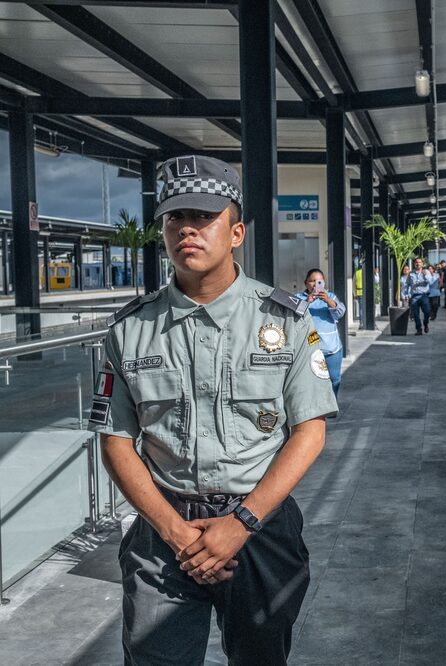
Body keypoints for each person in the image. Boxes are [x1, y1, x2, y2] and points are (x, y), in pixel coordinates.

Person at [88, 155, 339, 665]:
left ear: (237, 232)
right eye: (175, 218)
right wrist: (176, 532)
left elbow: (309, 431)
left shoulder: (285, 320)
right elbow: (115, 439)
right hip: (163, 534)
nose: (188, 230)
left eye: (205, 217)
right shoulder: (129, 330)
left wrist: (241, 523)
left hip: (260, 527)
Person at [296, 268, 347, 396]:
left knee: (334, 379)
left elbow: (340, 313)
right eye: (312, 281)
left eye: (319, 281)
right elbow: (294, 315)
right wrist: (308, 301)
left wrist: (328, 300)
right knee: (309, 381)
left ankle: (332, 405)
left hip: (331, 348)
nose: (315, 284)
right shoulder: (299, 297)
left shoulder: (330, 296)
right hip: (308, 348)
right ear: (306, 283)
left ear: (323, 283)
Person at [406, 258, 432, 334]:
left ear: (422, 264)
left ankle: (425, 323)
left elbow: (430, 281)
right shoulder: (411, 273)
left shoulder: (426, 272)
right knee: (415, 314)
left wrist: (425, 275)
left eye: (419, 262)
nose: (418, 264)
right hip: (414, 296)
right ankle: (419, 329)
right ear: (414, 264)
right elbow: (408, 285)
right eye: (416, 262)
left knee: (427, 312)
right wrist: (407, 295)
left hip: (424, 295)